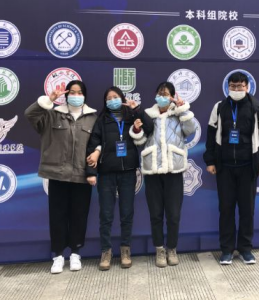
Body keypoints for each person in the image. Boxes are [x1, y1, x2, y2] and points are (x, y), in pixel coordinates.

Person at [25, 81, 97, 274]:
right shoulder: (52, 114)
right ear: (66, 94)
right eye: (72, 92)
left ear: (85, 95)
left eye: (79, 92)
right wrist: (49, 100)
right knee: (57, 216)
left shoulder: (92, 118)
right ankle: (58, 256)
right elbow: (30, 115)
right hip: (57, 175)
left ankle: (75, 253)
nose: (76, 95)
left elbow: (98, 143)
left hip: (81, 175)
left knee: (79, 216)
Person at [203, 72, 259, 266]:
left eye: (240, 86)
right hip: (224, 168)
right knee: (226, 209)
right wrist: (210, 161)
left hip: (248, 167)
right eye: (233, 86)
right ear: (228, 87)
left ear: (247, 87)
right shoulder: (219, 107)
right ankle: (226, 250)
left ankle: (245, 249)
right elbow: (210, 135)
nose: (236, 89)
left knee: (247, 210)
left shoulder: (257, 107)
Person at [86, 87, 154, 271]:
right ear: (105, 102)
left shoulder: (131, 116)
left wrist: (137, 109)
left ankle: (125, 250)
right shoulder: (101, 120)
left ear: (122, 98)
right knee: (106, 215)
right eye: (108, 98)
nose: (112, 100)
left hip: (128, 172)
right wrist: (91, 172)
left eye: (115, 97)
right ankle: (106, 251)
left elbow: (150, 128)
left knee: (126, 213)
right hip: (106, 173)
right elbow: (93, 145)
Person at [133, 82, 196, 268]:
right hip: (152, 171)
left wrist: (183, 109)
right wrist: (137, 130)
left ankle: (172, 249)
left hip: (173, 170)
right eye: (160, 93)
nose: (162, 97)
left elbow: (190, 130)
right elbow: (140, 142)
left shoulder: (178, 115)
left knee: (174, 214)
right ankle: (159, 249)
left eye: (166, 94)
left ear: (172, 97)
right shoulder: (148, 115)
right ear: (155, 95)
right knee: (156, 214)